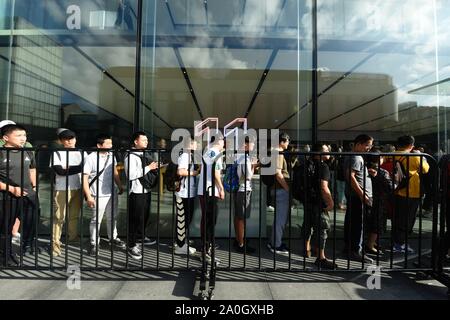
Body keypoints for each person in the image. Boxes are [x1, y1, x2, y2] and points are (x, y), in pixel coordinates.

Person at [0, 124, 38, 265]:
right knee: (6, 227)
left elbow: (32, 169)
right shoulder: (1, 152)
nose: (23, 139)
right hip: (7, 196)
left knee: (30, 220)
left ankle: (25, 247)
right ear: (6, 138)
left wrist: (34, 187)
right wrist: (10, 189)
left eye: (24, 135)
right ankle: (5, 256)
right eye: (18, 136)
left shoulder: (27, 151)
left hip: (29, 194)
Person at [83, 134, 125, 256]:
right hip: (97, 194)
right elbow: (84, 178)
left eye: (111, 143)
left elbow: (115, 172)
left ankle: (113, 237)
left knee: (113, 216)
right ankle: (94, 243)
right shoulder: (90, 158)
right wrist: (89, 196)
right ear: (99, 145)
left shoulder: (111, 156)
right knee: (96, 220)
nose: (111, 146)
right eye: (108, 144)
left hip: (112, 192)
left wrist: (120, 185)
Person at [50, 129, 86, 257]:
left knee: (74, 215)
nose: (69, 140)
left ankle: (72, 237)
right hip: (61, 188)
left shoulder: (82, 152)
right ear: (61, 141)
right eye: (66, 138)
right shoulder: (57, 153)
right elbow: (60, 171)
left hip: (79, 187)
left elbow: (87, 169)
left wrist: (68, 168)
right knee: (59, 217)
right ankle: (55, 244)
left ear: (76, 139)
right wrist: (78, 168)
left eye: (72, 137)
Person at [124, 131, 158, 260]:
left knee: (144, 216)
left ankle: (140, 237)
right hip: (136, 191)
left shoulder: (144, 153)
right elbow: (131, 175)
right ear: (135, 141)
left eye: (147, 140)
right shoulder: (130, 156)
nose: (146, 142)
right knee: (134, 219)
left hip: (146, 190)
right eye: (143, 140)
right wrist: (149, 167)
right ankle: (131, 245)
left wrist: (153, 167)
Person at [392, 135, 429, 253]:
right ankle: (400, 244)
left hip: (396, 189)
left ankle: (396, 240)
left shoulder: (391, 154)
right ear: (410, 145)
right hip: (411, 191)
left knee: (397, 217)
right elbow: (425, 169)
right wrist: (422, 157)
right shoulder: (415, 157)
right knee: (408, 219)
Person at [302, 143, 336, 269]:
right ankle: (321, 257)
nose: (328, 152)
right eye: (326, 150)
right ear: (318, 153)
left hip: (308, 200)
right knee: (322, 228)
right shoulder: (324, 167)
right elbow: (323, 187)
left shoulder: (307, 165)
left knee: (308, 224)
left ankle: (306, 249)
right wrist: (331, 202)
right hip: (318, 202)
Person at [344, 134, 374, 263]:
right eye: (367, 145)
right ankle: (356, 251)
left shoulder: (354, 156)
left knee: (352, 223)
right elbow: (350, 176)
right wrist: (362, 194)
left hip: (356, 195)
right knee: (358, 225)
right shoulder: (356, 157)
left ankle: (351, 249)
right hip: (358, 196)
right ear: (359, 144)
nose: (369, 148)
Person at [197, 133, 225, 263]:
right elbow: (216, 173)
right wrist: (221, 188)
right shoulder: (215, 153)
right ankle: (206, 251)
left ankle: (205, 247)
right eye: (223, 141)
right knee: (210, 221)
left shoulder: (208, 152)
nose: (224, 143)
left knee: (206, 220)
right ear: (218, 141)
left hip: (204, 190)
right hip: (210, 191)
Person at [174, 136, 199, 255]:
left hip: (187, 193)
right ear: (190, 144)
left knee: (185, 219)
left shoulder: (189, 155)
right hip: (183, 193)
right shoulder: (185, 155)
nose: (197, 146)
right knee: (183, 219)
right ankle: (180, 246)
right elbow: (180, 171)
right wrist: (195, 173)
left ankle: (181, 242)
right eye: (196, 143)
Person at [267, 132, 290, 255]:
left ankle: (274, 241)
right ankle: (276, 244)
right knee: (281, 219)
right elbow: (278, 173)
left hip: (276, 189)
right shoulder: (278, 152)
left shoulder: (272, 151)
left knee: (279, 218)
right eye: (287, 141)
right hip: (280, 189)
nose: (288, 143)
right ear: (282, 141)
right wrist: (287, 188)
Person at [233, 136, 258, 254]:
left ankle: (238, 239)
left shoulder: (238, 156)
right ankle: (241, 244)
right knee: (241, 218)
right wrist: (254, 165)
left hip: (239, 190)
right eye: (252, 143)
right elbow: (248, 176)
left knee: (238, 216)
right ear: (246, 145)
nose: (253, 146)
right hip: (244, 190)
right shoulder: (245, 158)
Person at [366, 150, 393, 255]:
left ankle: (370, 242)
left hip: (368, 198)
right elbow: (389, 187)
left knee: (369, 222)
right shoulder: (383, 172)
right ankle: (371, 245)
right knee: (377, 223)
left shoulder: (365, 169)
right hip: (380, 199)